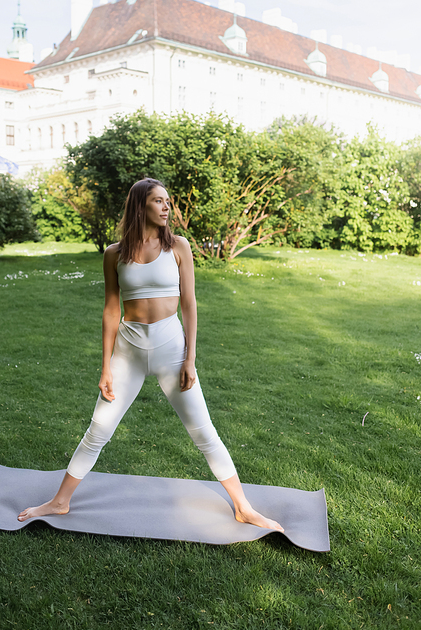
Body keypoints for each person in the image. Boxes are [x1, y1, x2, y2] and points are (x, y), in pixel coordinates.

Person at [18, 178, 283, 532]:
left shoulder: (179, 247)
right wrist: (105, 368)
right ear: (140, 205)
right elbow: (112, 310)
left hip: (171, 348)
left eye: (168, 201)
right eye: (159, 201)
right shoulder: (115, 253)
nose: (166, 207)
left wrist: (190, 359)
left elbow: (189, 305)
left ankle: (243, 507)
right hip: (128, 350)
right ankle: (60, 501)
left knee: (203, 431)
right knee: (98, 429)